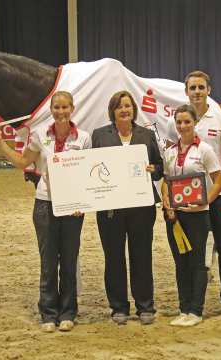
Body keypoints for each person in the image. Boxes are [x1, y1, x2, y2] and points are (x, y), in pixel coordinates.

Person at [0, 91, 90, 333]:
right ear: (52, 109)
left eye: (65, 107)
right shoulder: (39, 136)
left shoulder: (84, 138)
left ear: (72, 108)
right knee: (48, 262)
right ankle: (48, 312)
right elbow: (22, 162)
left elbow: (88, 175)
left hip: (73, 207)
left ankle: (68, 312)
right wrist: (1, 144)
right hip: (45, 203)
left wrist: (83, 203)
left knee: (68, 260)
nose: (61, 111)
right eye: (56, 107)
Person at [168, 70, 221, 316]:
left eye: (201, 87)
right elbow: (172, 159)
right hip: (188, 201)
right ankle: (192, 298)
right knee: (193, 250)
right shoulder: (175, 122)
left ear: (209, 90)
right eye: (192, 88)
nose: (197, 92)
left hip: (218, 196)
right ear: (186, 91)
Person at [91, 90, 163, 325]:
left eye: (128, 106)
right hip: (110, 207)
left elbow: (159, 167)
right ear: (113, 111)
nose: (124, 110)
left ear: (134, 109)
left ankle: (145, 306)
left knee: (141, 255)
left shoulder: (147, 135)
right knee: (113, 257)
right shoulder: (100, 135)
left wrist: (154, 170)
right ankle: (119, 307)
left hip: (141, 206)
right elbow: (92, 169)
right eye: (120, 106)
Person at [162, 104, 221, 326]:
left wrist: (205, 202)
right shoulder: (169, 152)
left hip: (198, 216)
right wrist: (167, 202)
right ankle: (184, 308)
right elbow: (166, 182)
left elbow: (218, 181)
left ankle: (196, 311)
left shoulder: (205, 150)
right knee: (181, 262)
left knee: (198, 263)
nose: (183, 126)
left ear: (195, 123)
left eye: (187, 121)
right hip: (176, 217)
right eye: (179, 122)